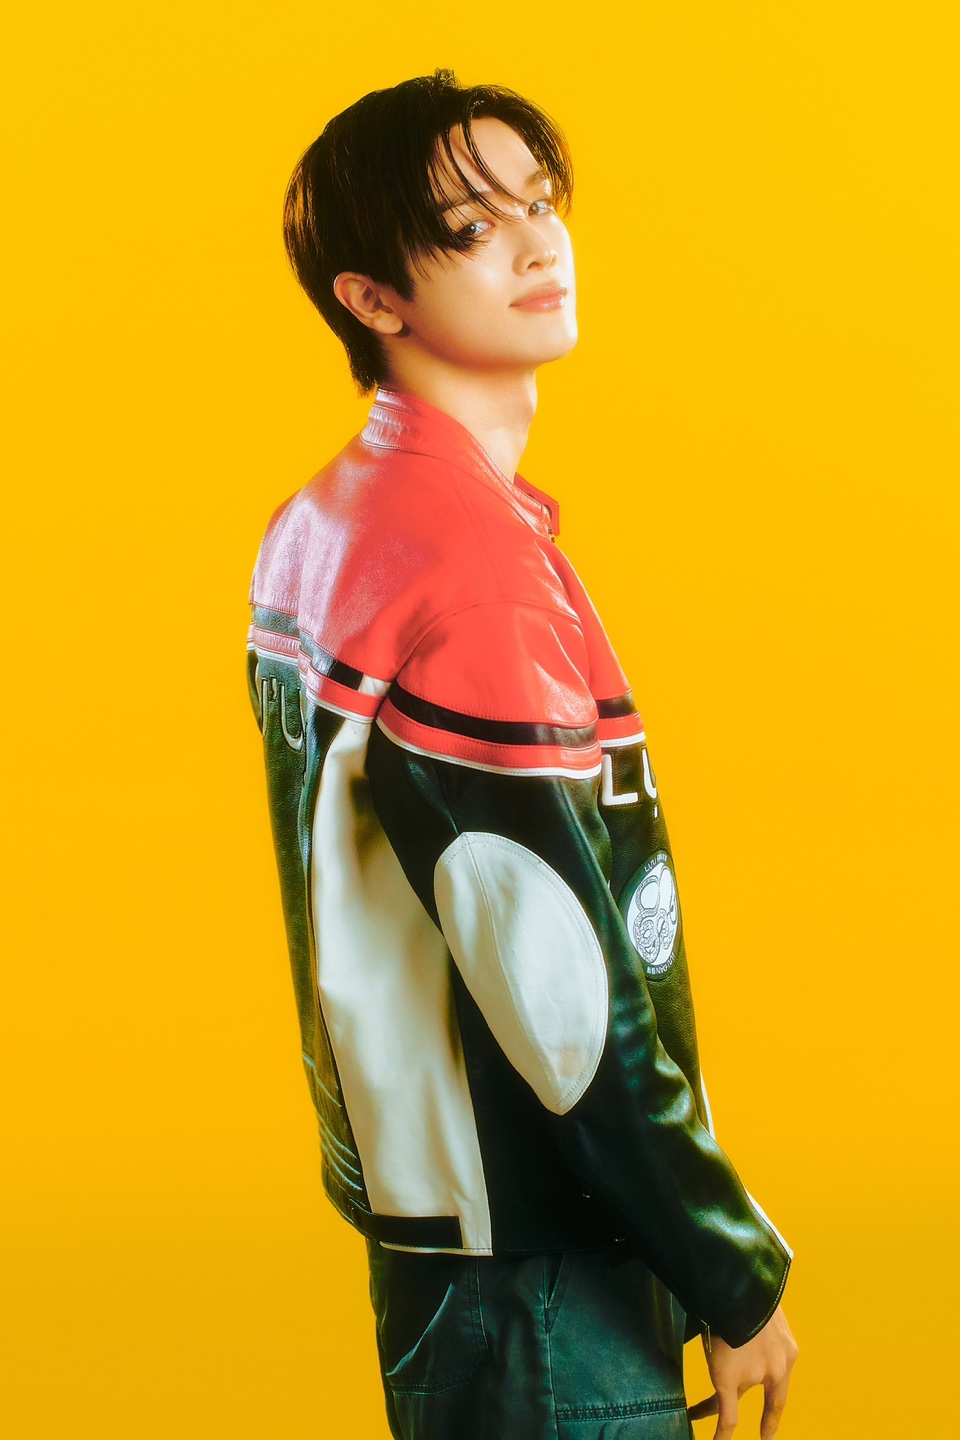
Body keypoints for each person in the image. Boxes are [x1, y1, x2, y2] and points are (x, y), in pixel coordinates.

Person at [247, 68, 798, 1440]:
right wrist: (728, 1270)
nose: (540, 244)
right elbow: (565, 1007)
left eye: (541, 202)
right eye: (471, 228)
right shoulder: (472, 573)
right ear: (371, 297)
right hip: (546, 1248)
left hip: (439, 1223)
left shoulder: (330, 517)